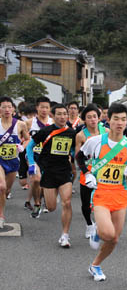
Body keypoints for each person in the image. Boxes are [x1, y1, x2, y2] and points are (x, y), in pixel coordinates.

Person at [76, 103, 127, 281]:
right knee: (108, 234)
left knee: (114, 239)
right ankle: (97, 230)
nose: (119, 123)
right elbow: (80, 157)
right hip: (100, 193)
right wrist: (87, 173)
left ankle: (95, 265)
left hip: (120, 194)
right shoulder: (96, 141)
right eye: (116, 119)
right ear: (108, 120)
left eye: (123, 119)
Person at [27, 104, 76, 247]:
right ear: (53, 116)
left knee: (67, 202)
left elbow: (73, 150)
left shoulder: (72, 133)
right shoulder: (46, 131)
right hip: (48, 171)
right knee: (52, 207)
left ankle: (65, 235)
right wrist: (31, 163)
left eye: (64, 114)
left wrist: (72, 156)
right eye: (59, 114)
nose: (62, 117)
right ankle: (44, 200)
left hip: (64, 171)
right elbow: (30, 146)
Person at [75, 104, 108, 238]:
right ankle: (89, 224)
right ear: (84, 120)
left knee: (104, 202)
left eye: (95, 116)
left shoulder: (106, 131)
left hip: (104, 171)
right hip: (88, 172)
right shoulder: (81, 135)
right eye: (89, 117)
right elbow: (78, 156)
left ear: (99, 118)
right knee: (86, 202)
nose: (93, 120)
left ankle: (102, 224)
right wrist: (85, 171)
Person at [0, 97, 29, 228]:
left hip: (13, 161)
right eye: (3, 107)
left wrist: (22, 146)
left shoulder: (20, 124)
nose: (6, 109)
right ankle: (1, 216)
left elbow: (28, 139)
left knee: (6, 191)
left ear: (13, 109)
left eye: (9, 107)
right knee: (2, 186)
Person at [25, 96, 54, 218]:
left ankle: (41, 199)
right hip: (33, 155)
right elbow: (25, 139)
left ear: (49, 109)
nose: (44, 110)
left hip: (48, 157)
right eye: (42, 107)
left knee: (43, 182)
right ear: (37, 107)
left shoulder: (53, 123)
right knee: (36, 179)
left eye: (47, 107)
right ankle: (37, 203)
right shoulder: (29, 123)